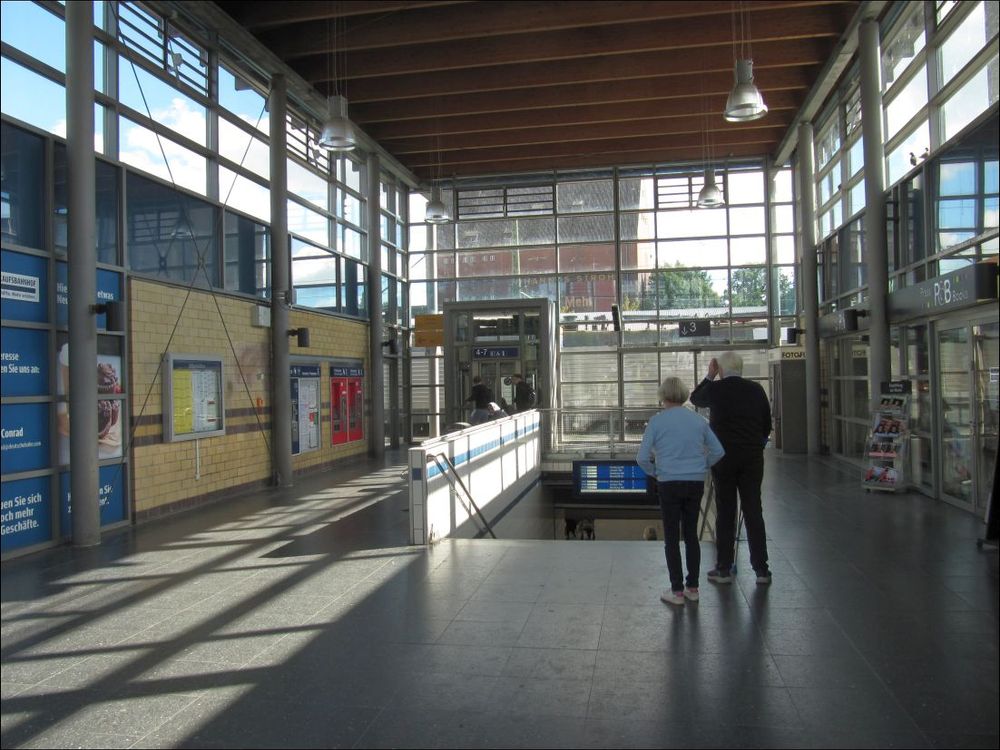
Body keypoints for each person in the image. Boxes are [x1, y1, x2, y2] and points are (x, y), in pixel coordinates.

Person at [638, 376, 725, 606]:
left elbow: (641, 458)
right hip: (695, 482)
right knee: (690, 536)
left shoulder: (656, 422)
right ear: (684, 395)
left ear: (663, 396)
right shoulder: (698, 420)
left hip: (668, 483)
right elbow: (718, 451)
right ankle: (693, 588)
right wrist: (702, 466)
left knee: (671, 538)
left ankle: (676, 591)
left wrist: (656, 471)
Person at [690, 351, 773, 585]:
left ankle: (723, 568)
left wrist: (709, 376)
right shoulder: (756, 389)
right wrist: (756, 443)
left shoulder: (716, 390)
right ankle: (761, 570)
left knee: (726, 511)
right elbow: (766, 424)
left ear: (721, 369)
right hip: (752, 458)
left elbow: (696, 399)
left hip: (723, 458)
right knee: (753, 510)